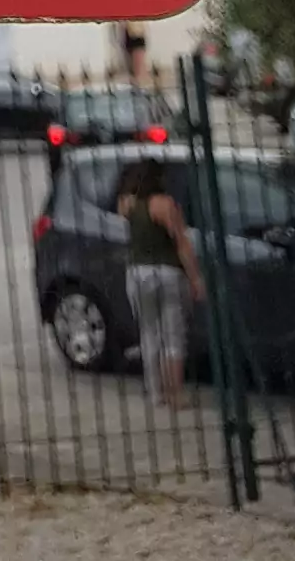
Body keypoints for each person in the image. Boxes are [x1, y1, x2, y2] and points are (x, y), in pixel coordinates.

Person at [118, 157, 205, 408]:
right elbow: (182, 244)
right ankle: (174, 393)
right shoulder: (166, 205)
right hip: (167, 273)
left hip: (137, 273)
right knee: (173, 336)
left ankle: (155, 393)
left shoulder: (127, 204)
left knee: (149, 334)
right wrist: (195, 278)